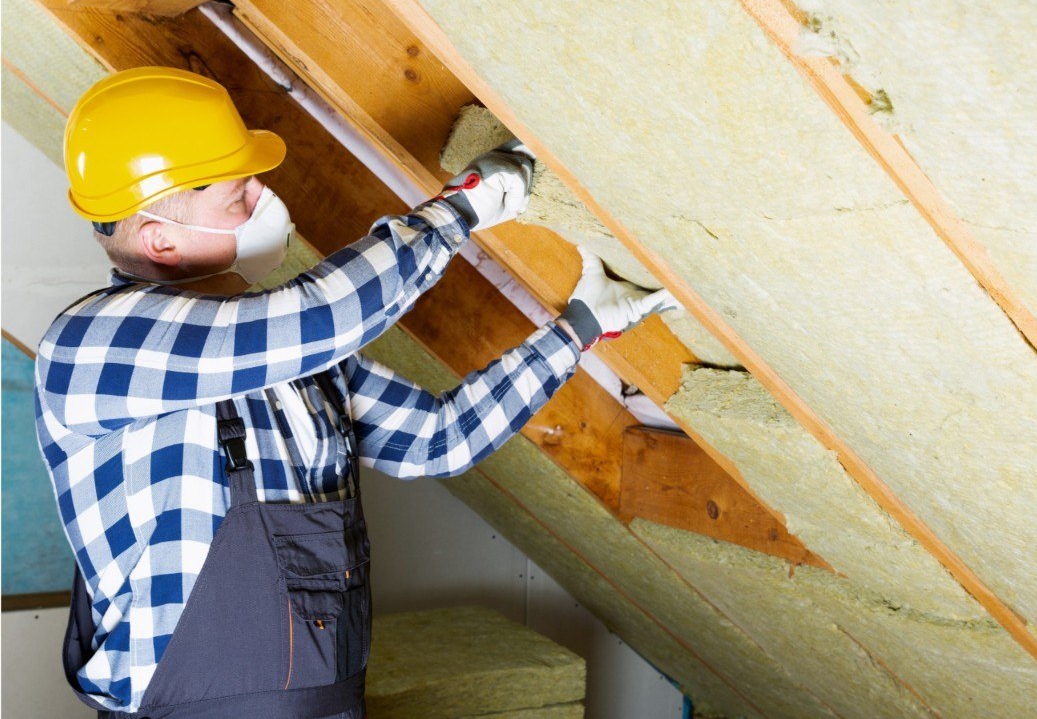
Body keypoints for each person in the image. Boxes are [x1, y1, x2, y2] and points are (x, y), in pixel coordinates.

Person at [35, 66, 676, 719]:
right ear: (161, 240)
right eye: (237, 195)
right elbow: (321, 318)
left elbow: (436, 439)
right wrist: (461, 209)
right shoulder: (91, 346)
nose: (261, 197)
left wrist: (577, 330)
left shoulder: (284, 351)